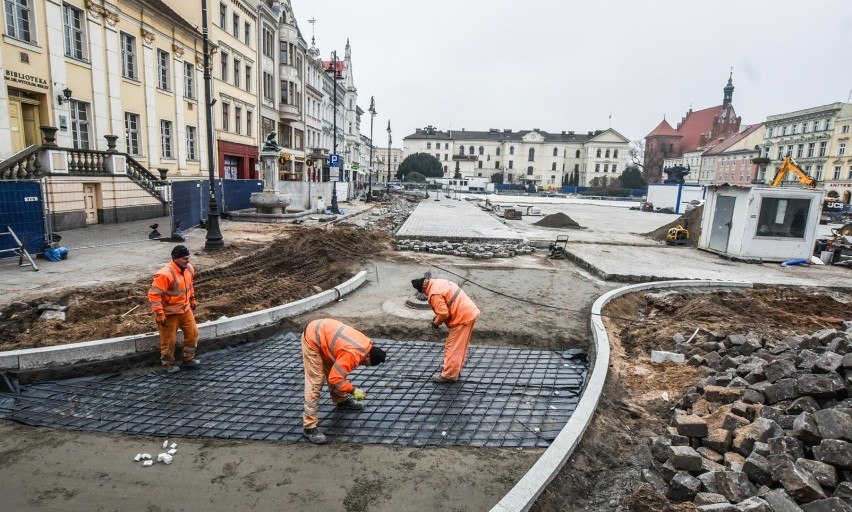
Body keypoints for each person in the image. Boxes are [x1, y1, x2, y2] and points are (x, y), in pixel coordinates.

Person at [302, 318, 386, 444]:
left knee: (335, 370)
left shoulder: (366, 344)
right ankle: (309, 427)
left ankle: (341, 400)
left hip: (325, 336)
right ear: (368, 356)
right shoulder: (353, 354)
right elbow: (336, 378)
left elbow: (336, 374)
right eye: (368, 364)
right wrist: (353, 390)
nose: (366, 366)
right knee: (316, 382)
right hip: (313, 339)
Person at [411, 276, 480, 383]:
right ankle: (455, 369)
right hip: (469, 312)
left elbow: (443, 313)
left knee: (452, 346)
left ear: (424, 289)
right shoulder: (439, 283)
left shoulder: (434, 293)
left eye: (424, 292)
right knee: (460, 346)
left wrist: (435, 323)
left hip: (462, 318)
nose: (425, 294)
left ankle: (449, 375)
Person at [148, 245, 200, 373]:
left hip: (185, 310)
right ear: (175, 259)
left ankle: (188, 358)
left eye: (188, 258)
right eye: (184, 259)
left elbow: (189, 286)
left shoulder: (189, 269)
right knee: (169, 340)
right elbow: (154, 295)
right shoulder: (165, 274)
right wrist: (159, 313)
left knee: (193, 334)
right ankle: (167, 364)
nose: (187, 261)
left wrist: (192, 298)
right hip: (169, 314)